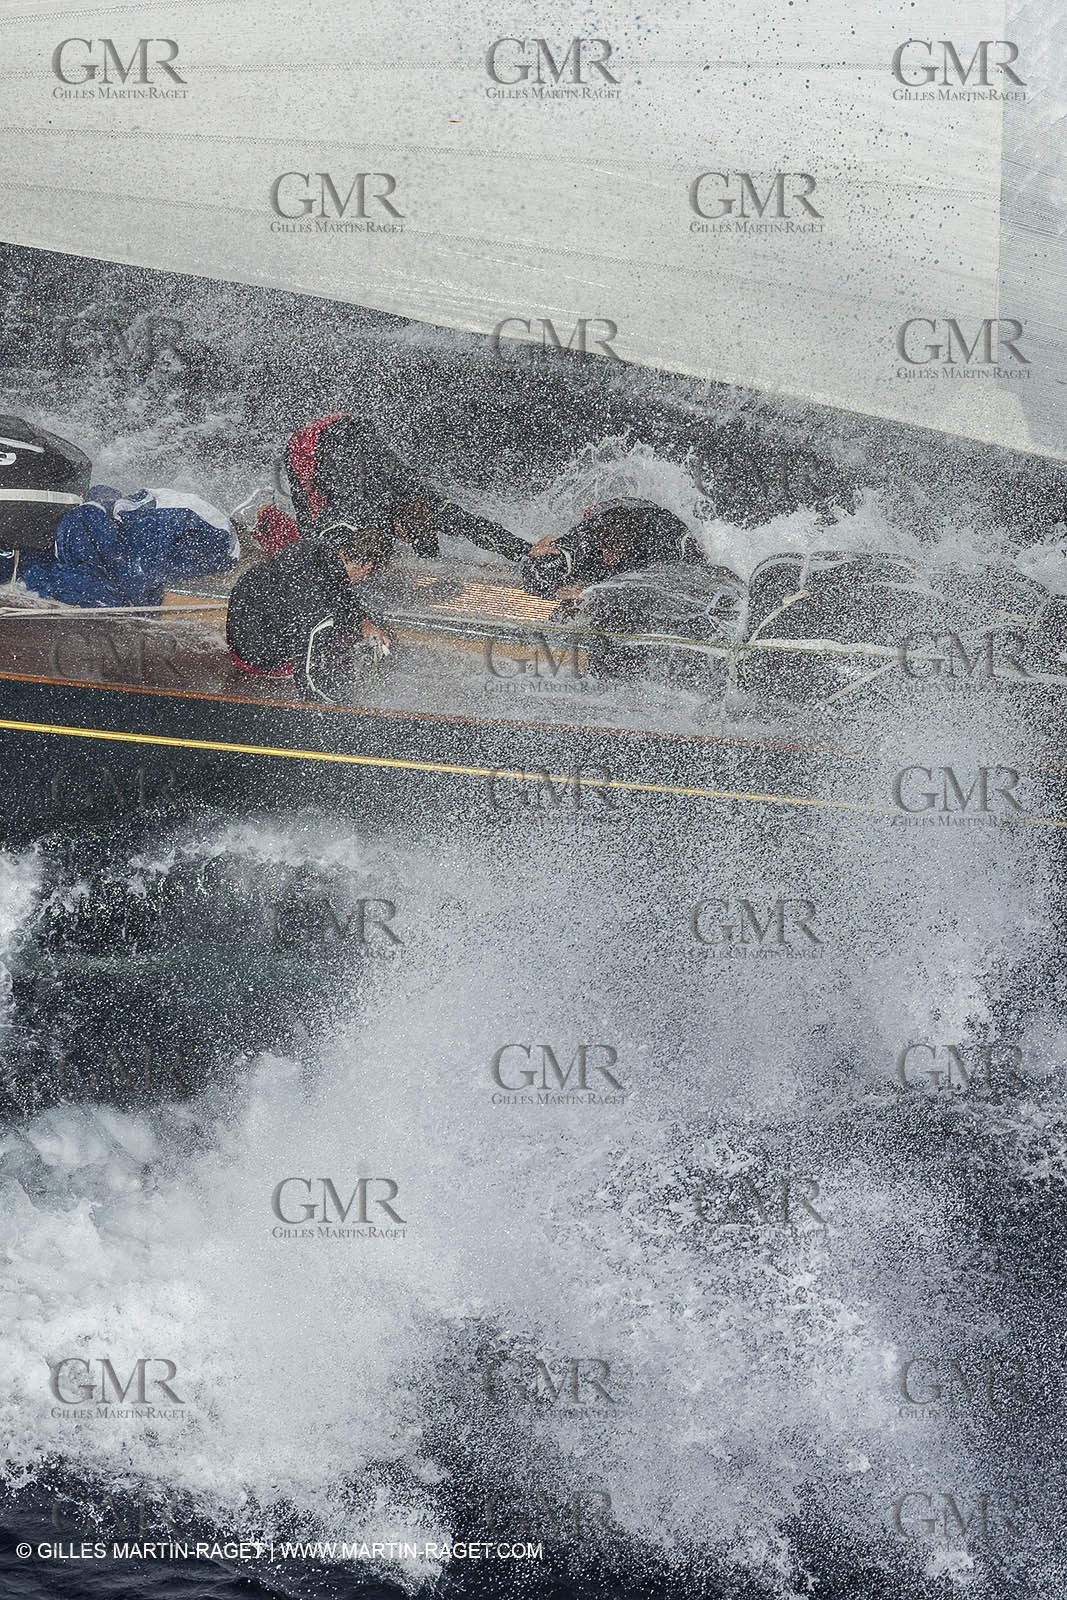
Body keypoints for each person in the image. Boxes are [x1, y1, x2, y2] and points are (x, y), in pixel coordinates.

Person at [255, 412, 528, 563]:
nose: (406, 542)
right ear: (399, 521)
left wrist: (523, 550)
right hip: (309, 448)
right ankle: (266, 519)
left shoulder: (423, 498)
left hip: (355, 433)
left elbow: (472, 526)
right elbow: (322, 540)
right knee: (315, 532)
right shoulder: (353, 504)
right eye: (407, 537)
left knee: (370, 534)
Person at [226, 520, 393, 703]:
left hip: (244, 615)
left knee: (339, 627)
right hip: (256, 658)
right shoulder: (316, 605)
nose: (365, 582)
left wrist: (364, 622)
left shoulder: (316, 546)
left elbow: (340, 590)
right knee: (336, 658)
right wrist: (343, 709)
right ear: (367, 567)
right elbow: (309, 681)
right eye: (370, 576)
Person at [520, 497, 704, 600]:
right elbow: (532, 581)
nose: (607, 557)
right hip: (610, 516)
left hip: (657, 528)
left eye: (614, 552)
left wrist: (591, 593)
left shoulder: (667, 543)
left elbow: (664, 585)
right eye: (605, 549)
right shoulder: (589, 533)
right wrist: (543, 551)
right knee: (567, 574)